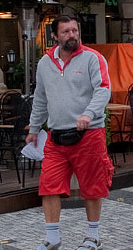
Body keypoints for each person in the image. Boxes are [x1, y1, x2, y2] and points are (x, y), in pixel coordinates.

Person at [25, 14, 113, 250]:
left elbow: (103, 90)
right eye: (65, 32)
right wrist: (34, 129)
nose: (71, 35)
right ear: (54, 36)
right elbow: (40, 98)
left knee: (92, 186)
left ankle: (93, 235)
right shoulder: (45, 63)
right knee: (48, 186)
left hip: (89, 134)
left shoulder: (93, 58)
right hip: (56, 136)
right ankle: (53, 238)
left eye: (74, 30)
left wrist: (89, 114)